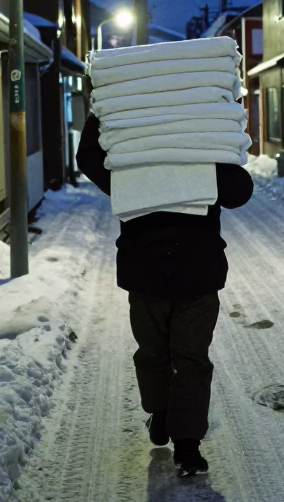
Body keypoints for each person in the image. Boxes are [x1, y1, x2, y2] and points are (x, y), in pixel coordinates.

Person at [75, 113, 254, 477]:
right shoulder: (207, 144)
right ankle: (178, 434)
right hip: (195, 269)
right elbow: (239, 191)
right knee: (190, 358)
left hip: (148, 270)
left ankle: (172, 426)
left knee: (157, 351)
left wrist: (104, 113)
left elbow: (89, 159)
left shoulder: (129, 163)